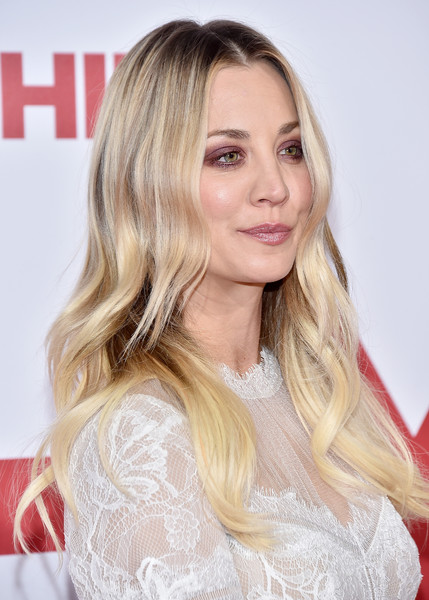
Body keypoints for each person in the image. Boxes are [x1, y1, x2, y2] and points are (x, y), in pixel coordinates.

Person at [14, 18, 429, 599]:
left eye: (290, 149)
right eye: (228, 156)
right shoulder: (139, 436)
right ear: (148, 185)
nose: (276, 187)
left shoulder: (320, 398)